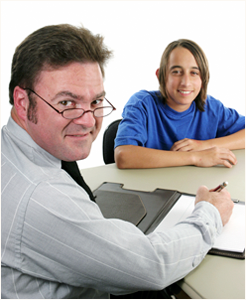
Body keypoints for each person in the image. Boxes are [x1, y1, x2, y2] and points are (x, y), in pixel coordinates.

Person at [1, 25, 234, 299]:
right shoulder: (42, 196)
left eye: (96, 100)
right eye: (66, 102)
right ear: (22, 102)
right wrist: (210, 214)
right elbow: (153, 266)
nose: (88, 121)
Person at [114, 39, 245, 169]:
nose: (186, 82)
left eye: (194, 73)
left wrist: (204, 145)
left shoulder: (211, 107)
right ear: (161, 76)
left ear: (203, 79)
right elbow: (123, 156)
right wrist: (196, 157)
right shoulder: (142, 104)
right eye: (176, 72)